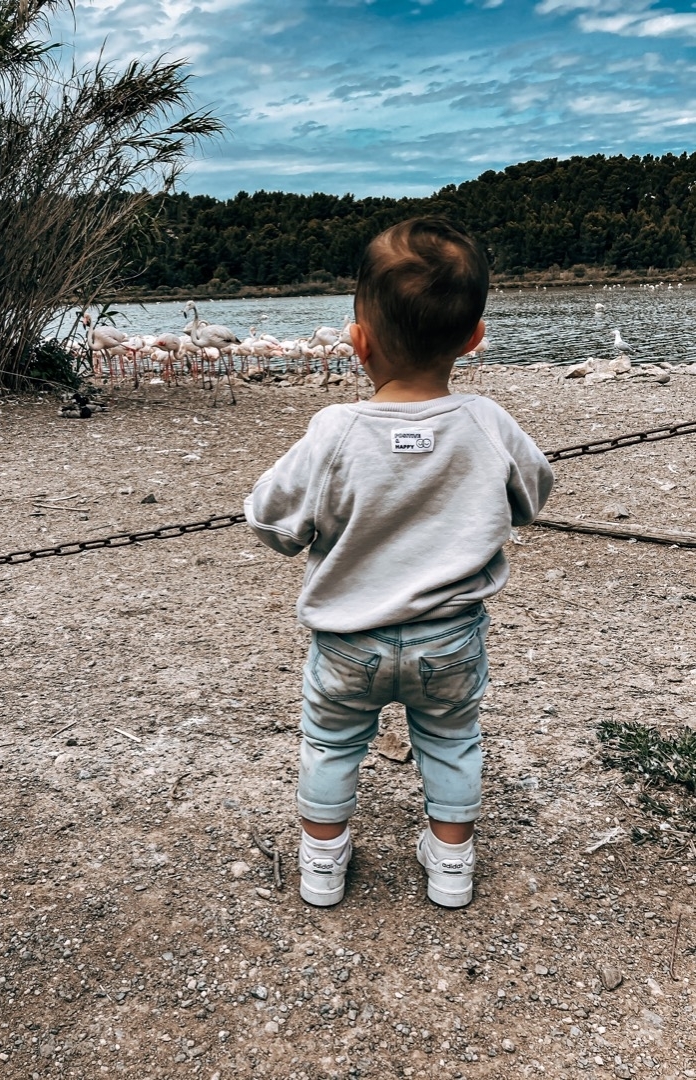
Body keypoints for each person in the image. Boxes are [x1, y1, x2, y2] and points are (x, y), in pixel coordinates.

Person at [244, 217, 554, 908]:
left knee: (330, 744)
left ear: (358, 342)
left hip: (348, 641)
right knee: (452, 741)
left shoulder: (335, 432)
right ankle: (451, 867)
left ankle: (321, 866)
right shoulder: (487, 422)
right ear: (474, 338)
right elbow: (532, 494)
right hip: (450, 638)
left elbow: (271, 519)